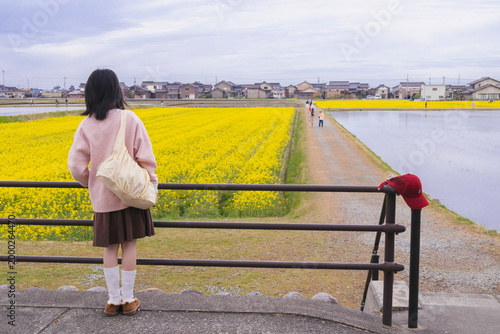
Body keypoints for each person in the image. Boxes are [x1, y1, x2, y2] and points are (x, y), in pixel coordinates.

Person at [68, 69, 158, 317]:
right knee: (129, 246)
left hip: (103, 199)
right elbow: (146, 158)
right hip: (132, 196)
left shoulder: (85, 125)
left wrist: (91, 182)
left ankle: (112, 301)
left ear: (90, 93)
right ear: (116, 90)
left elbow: (76, 166)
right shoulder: (130, 119)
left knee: (109, 248)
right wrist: (151, 183)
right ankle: (129, 300)